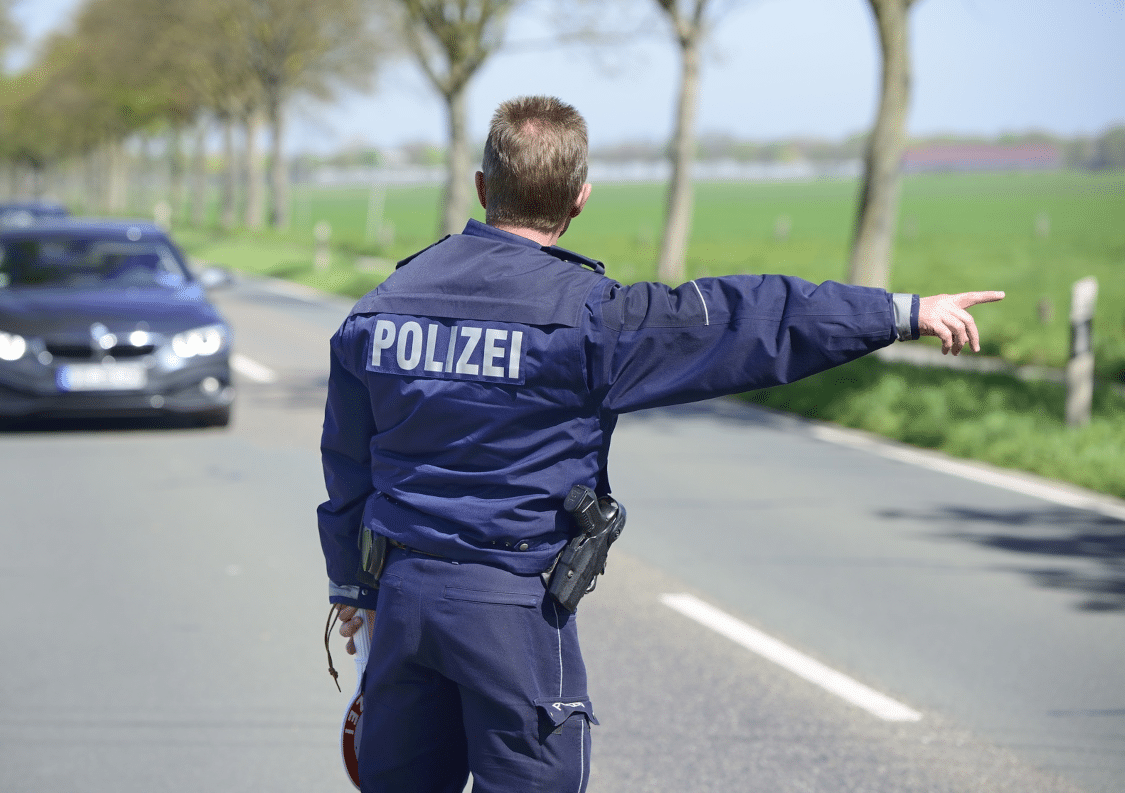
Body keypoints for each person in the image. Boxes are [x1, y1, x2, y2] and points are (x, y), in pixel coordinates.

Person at [318, 95, 1003, 793]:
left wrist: (352, 583)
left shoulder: (381, 305)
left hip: (402, 606)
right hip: (512, 614)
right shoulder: (592, 319)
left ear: (483, 187)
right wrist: (900, 313)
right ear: (580, 199)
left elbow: (347, 461)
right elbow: (742, 320)